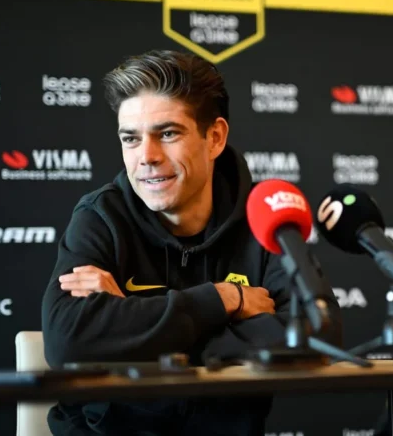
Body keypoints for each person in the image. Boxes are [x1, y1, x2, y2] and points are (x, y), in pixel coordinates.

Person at [41, 49, 342, 436]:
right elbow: (67, 343)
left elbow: (321, 334)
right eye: (131, 138)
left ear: (214, 138)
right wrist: (224, 300)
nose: (146, 157)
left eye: (167, 134)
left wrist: (137, 327)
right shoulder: (100, 216)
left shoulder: (264, 218)